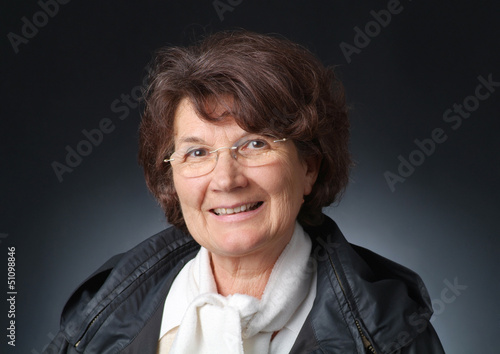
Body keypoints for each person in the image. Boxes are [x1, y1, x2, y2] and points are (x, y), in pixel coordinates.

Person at [46, 30, 445, 353]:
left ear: (309, 166)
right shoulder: (99, 314)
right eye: (197, 152)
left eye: (255, 144)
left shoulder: (392, 333)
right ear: (171, 177)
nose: (226, 179)